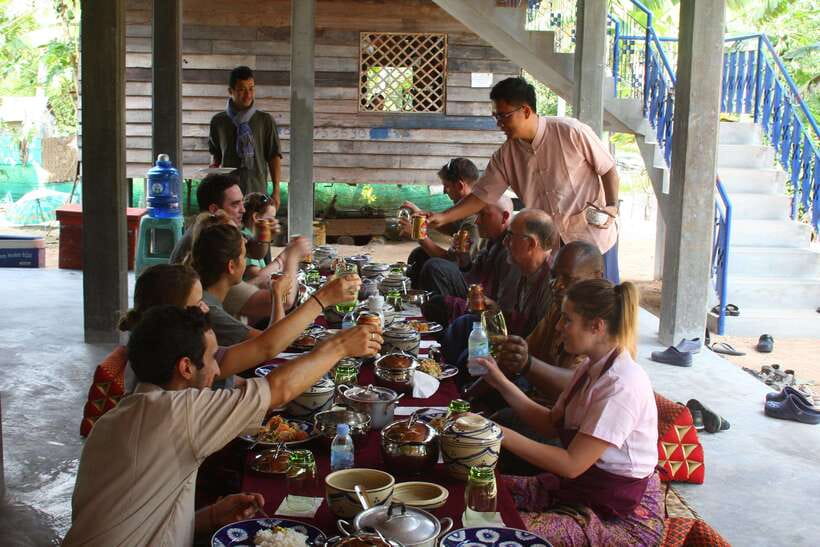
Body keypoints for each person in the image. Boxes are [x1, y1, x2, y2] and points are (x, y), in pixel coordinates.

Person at [64, 306, 381, 546]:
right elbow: (279, 389)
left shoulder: (118, 417)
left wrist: (210, 517)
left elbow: (139, 518)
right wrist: (340, 346)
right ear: (185, 367)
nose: (218, 369)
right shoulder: (178, 412)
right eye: (213, 357)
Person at [474, 279, 663, 545]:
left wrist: (494, 431)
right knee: (477, 490)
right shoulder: (590, 367)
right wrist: (500, 381)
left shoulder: (622, 385)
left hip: (620, 515)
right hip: (583, 489)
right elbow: (550, 424)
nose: (558, 327)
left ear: (596, 326)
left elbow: (571, 464)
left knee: (496, 528)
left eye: (567, 319)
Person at [426, 76, 622, 283]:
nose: (499, 123)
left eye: (504, 116)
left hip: (594, 239)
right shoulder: (505, 156)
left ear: (526, 111)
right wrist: (443, 217)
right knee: (562, 299)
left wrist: (612, 206)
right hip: (552, 247)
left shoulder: (571, 131)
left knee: (601, 297)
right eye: (496, 116)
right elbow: (481, 197)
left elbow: (608, 169)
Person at [118, 263, 360, 387]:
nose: (205, 309)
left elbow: (245, 370)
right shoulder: (171, 362)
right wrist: (322, 299)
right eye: (197, 303)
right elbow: (266, 347)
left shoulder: (168, 346)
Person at [170, 173, 307, 323]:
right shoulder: (213, 251)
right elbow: (283, 301)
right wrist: (291, 256)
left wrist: (263, 237)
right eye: (235, 204)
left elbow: (254, 252)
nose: (243, 210)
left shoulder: (211, 228)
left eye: (242, 202)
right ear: (214, 209)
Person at [441, 209, 556, 370]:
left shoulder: (551, 284)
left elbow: (533, 343)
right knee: (462, 326)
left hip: (527, 361)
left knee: (469, 357)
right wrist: (495, 310)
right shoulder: (524, 268)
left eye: (510, 236)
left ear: (530, 243)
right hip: (512, 342)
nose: (505, 242)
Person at [495, 240, 605, 402]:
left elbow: (577, 382)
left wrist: (527, 363)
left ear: (597, 277)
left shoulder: (600, 325)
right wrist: (470, 392)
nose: (556, 285)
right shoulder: (558, 309)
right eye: (553, 276)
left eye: (568, 279)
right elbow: (525, 352)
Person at [419, 196, 519, 326]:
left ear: (504, 217)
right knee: (422, 257)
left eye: (483, 215)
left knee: (435, 271)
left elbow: (500, 307)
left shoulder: (510, 249)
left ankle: (443, 329)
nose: (477, 221)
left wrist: (421, 237)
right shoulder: (492, 241)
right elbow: (474, 276)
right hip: (477, 296)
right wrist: (464, 260)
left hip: (489, 311)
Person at [399, 158, 482, 287]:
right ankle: (415, 294)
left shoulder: (474, 221)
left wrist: (419, 234)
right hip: (461, 269)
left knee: (433, 266)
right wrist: (421, 215)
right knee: (419, 254)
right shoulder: (466, 213)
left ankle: (431, 297)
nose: (444, 191)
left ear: (460, 186)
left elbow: (455, 263)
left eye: (447, 186)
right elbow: (452, 228)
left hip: (470, 283)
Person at [209, 65, 283, 206]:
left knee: (256, 220)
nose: (248, 94)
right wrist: (212, 176)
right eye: (242, 89)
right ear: (230, 91)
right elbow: (215, 156)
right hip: (228, 192)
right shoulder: (218, 121)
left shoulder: (265, 120)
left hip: (257, 190)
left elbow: (274, 156)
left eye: (251, 88)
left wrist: (276, 191)